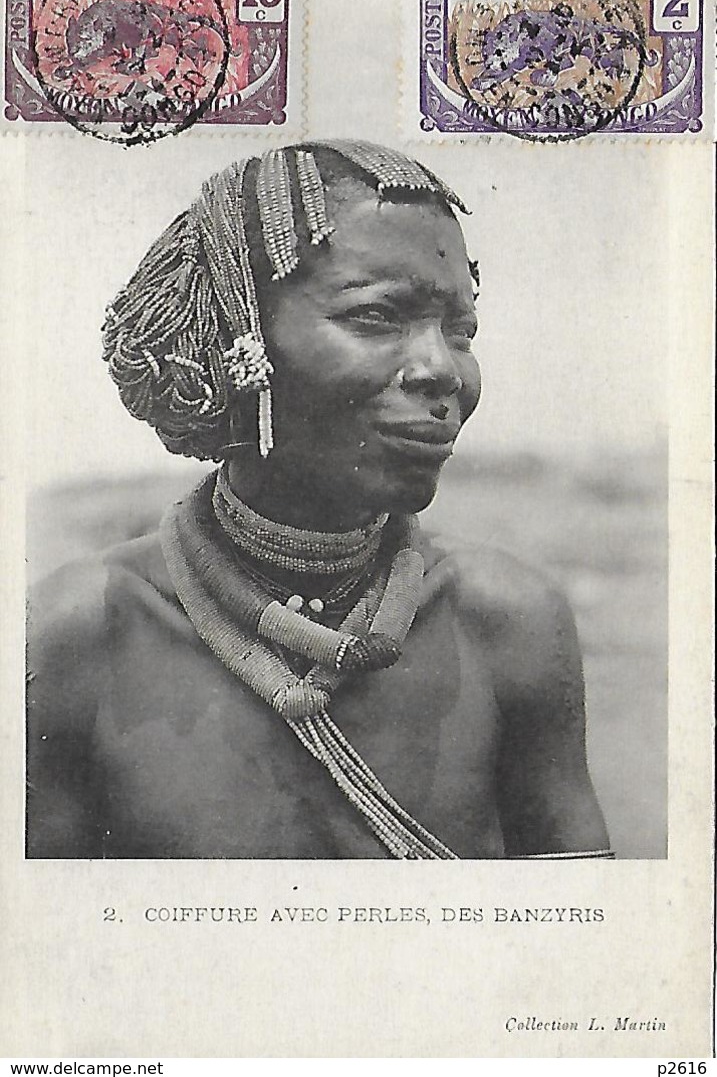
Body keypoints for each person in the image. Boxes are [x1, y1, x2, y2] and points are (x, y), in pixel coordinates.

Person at [26, 140, 612, 860]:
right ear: (236, 339)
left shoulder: (510, 621)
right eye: (374, 317)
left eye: (460, 331)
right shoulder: (78, 632)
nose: (442, 371)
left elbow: (582, 951)